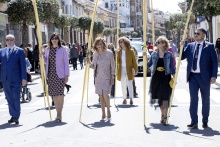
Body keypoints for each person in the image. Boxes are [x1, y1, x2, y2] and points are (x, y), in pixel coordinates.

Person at [181, 28, 218, 129]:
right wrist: (181, 47)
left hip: (204, 77)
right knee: (193, 99)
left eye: (198, 33)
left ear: (203, 35)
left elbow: (214, 62)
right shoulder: (190, 46)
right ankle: (194, 121)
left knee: (205, 99)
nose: (195, 35)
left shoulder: (209, 46)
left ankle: (205, 120)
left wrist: (214, 75)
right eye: (195, 33)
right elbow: (182, 57)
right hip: (193, 76)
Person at [144, 36, 175, 125]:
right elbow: (149, 64)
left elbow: (172, 67)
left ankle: (165, 116)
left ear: (164, 44)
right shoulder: (154, 54)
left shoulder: (169, 54)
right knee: (160, 98)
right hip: (156, 77)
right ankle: (162, 115)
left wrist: (174, 75)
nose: (157, 44)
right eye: (157, 42)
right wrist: (145, 57)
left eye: (159, 42)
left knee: (165, 97)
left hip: (166, 76)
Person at [0, 34, 27, 124]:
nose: (9, 41)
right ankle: (13, 114)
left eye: (11, 39)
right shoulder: (2, 51)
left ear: (14, 41)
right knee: (9, 98)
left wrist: (24, 78)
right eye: (7, 40)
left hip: (16, 78)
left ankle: (16, 116)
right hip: (5, 78)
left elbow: (23, 66)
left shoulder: (19, 51)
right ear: (5, 41)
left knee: (16, 97)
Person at [43, 33, 69, 122]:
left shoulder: (62, 50)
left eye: (56, 38)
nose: (54, 40)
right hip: (51, 74)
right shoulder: (47, 49)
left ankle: (59, 114)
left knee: (60, 94)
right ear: (50, 40)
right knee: (54, 94)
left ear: (58, 40)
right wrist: (42, 56)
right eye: (53, 38)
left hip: (60, 75)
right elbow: (46, 60)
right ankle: (58, 112)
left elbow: (66, 63)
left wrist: (66, 75)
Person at [86, 38, 115, 120]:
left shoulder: (109, 53)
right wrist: (88, 62)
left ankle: (108, 110)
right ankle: (103, 113)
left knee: (106, 94)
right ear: (95, 45)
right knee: (101, 96)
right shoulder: (95, 54)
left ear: (103, 44)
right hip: (98, 77)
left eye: (101, 44)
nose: (99, 45)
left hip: (107, 77)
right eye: (98, 44)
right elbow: (93, 66)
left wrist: (112, 76)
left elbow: (113, 65)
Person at [116, 37, 138, 105]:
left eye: (121, 42)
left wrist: (136, 69)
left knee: (130, 84)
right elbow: (118, 62)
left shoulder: (131, 51)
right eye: (119, 42)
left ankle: (131, 98)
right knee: (123, 84)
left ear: (125, 42)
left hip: (129, 69)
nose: (120, 43)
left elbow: (134, 61)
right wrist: (116, 55)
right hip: (122, 69)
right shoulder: (119, 52)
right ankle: (124, 98)